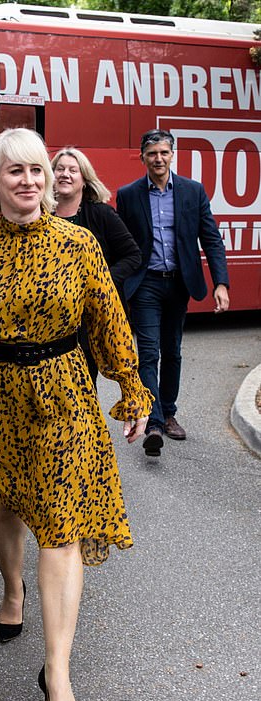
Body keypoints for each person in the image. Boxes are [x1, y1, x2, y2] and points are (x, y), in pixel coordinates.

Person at [0, 128, 152, 701]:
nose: (29, 180)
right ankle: (12, 591)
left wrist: (133, 391)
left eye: (37, 170)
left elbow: (110, 324)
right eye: (15, 172)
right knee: (3, 504)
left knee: (62, 527)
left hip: (65, 398)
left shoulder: (81, 245)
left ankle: (57, 671)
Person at [117, 129, 229, 457]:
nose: (158, 159)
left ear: (172, 154)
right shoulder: (129, 194)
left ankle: (169, 412)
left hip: (179, 282)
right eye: (152, 153)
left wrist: (221, 283)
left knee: (173, 351)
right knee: (148, 352)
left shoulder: (193, 192)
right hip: (146, 283)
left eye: (164, 152)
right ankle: (153, 422)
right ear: (143, 157)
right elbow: (121, 243)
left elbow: (211, 238)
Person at [51, 147, 141, 384]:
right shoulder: (40, 215)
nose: (65, 175)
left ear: (84, 179)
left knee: (84, 380)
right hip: (52, 314)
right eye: (59, 169)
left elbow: (132, 255)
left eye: (73, 170)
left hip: (90, 316)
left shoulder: (102, 214)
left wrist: (99, 282)